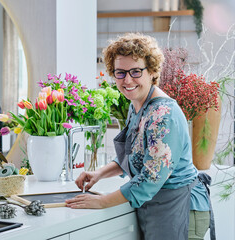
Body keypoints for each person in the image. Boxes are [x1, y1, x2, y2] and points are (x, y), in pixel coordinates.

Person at [65, 33, 214, 240]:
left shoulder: (163, 113)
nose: (127, 80)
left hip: (181, 207)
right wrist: (99, 173)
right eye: (120, 72)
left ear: (152, 71)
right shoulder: (137, 105)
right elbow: (133, 154)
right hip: (158, 206)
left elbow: (150, 178)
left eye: (135, 71)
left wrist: (103, 201)